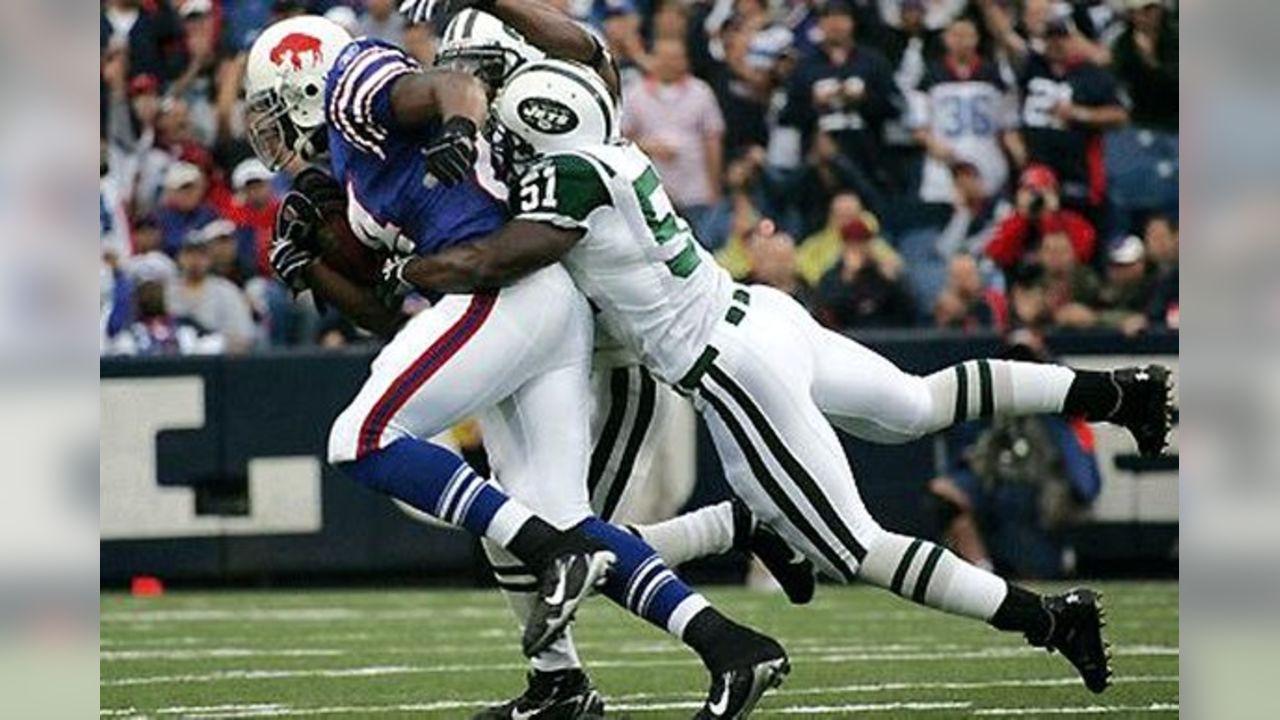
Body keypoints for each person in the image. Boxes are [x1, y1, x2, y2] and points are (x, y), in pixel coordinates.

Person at [389, 57, 1178, 697]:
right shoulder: (619, 151)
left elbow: (492, 259)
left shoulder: (565, 180)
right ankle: (1121, 393)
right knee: (917, 401)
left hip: (729, 365)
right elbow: (588, 58)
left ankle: (1049, 619)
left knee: (857, 549)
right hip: (763, 314)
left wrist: (405, 268)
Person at [247, 15, 789, 719]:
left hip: (505, 289)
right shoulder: (356, 177)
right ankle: (716, 651)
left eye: (270, 108)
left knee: (361, 439)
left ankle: (554, 557)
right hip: (531, 305)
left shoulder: (354, 84)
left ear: (302, 82)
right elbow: (382, 313)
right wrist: (313, 263)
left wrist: (459, 131)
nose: (269, 132)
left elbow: (453, 85)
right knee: (560, 514)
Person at [780, 0, 902, 208]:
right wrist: (815, 104)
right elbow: (788, 115)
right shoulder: (805, 66)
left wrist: (864, 99)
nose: (835, 24)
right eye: (828, 18)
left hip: (867, 160)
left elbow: (894, 107)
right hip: (819, 164)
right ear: (819, 24)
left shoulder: (873, 61)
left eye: (841, 17)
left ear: (852, 22)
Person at [1007, 16, 1128, 222]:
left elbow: (1120, 115)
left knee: (1074, 228)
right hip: (1033, 167)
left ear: (1072, 40)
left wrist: (1079, 113)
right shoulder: (1031, 67)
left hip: (1075, 170)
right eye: (1050, 38)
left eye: (1061, 38)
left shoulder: (1091, 74)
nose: (1056, 44)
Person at [622, 36, 726, 243]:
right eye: (665, 57)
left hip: (696, 190)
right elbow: (620, 139)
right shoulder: (634, 94)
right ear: (653, 59)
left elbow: (713, 139)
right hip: (652, 192)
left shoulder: (701, 92)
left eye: (676, 58)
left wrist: (714, 186)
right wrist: (647, 146)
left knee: (703, 246)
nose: (670, 63)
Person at [913, 18, 1018, 207]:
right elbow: (919, 126)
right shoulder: (931, 75)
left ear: (977, 39)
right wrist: (932, 144)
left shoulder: (992, 74)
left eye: (967, 35)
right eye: (956, 35)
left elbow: (1007, 125)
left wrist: (1016, 151)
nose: (961, 41)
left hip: (986, 154)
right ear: (946, 39)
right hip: (946, 154)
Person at [986, 164, 1096, 279]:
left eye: (1044, 191)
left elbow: (1082, 252)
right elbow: (996, 255)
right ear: (1018, 195)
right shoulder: (1009, 221)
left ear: (1055, 195)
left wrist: (1050, 218)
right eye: (1030, 191)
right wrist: (1024, 218)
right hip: (1021, 288)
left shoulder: (1072, 222)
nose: (1037, 198)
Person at [814, 217, 917, 329]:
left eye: (863, 243)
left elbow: (910, 311)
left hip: (886, 336)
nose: (858, 249)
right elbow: (829, 314)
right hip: (848, 336)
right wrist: (847, 278)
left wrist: (894, 282)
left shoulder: (883, 273)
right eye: (852, 244)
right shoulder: (832, 276)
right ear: (844, 246)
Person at [166, 229, 257, 353]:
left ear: (209, 259)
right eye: (189, 253)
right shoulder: (166, 290)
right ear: (179, 257)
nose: (195, 260)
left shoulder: (227, 290)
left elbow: (244, 338)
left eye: (201, 254)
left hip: (216, 364)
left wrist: (216, 344)